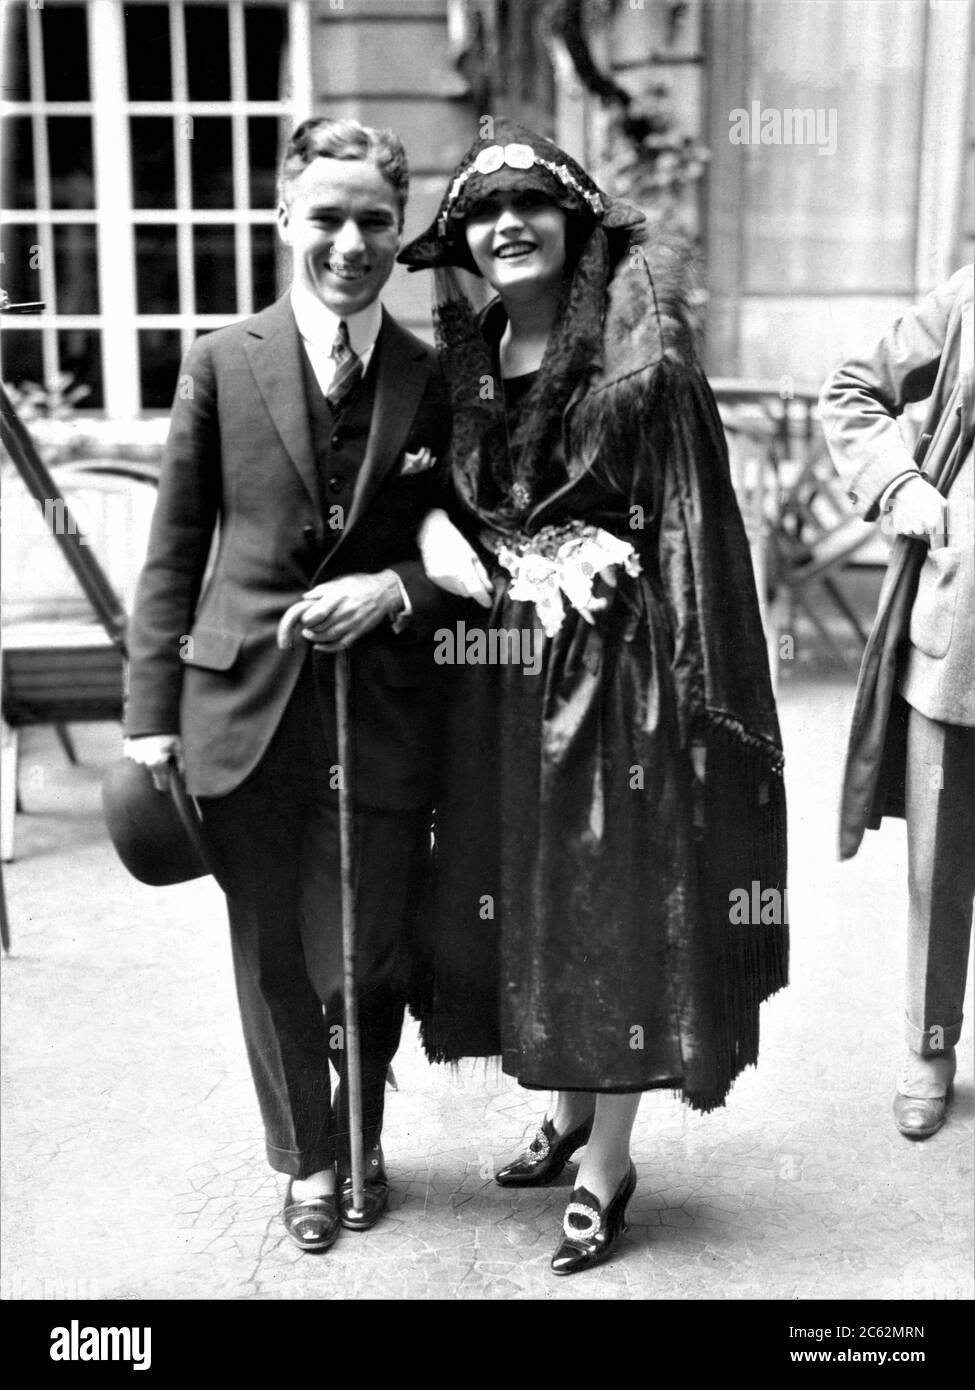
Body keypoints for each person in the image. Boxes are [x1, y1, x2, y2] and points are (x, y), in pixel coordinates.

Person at [398, 120, 788, 1275]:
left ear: (576, 227)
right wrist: (436, 527)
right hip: (497, 684)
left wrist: (686, 688)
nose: (506, 224)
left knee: (609, 901)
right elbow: (424, 500)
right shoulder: (462, 370)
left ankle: (606, 1161)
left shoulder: (643, 369)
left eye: (531, 204)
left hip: (615, 680)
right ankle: (567, 1107)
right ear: (462, 240)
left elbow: (693, 530)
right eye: (483, 211)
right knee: (524, 894)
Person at [123, 117, 452, 1252]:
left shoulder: (433, 375)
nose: (351, 242)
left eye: (374, 220)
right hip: (239, 712)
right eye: (327, 217)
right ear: (284, 222)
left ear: (398, 227)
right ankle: (310, 1163)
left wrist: (396, 590)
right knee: (269, 953)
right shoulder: (223, 358)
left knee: (365, 954)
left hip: (385, 714)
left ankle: (361, 1125)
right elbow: (173, 553)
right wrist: (147, 722)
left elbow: (471, 550)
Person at [820, 267, 974, 1140]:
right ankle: (929, 1042)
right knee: (940, 865)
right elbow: (851, 387)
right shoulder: (967, 299)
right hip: (963, 632)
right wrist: (903, 483)